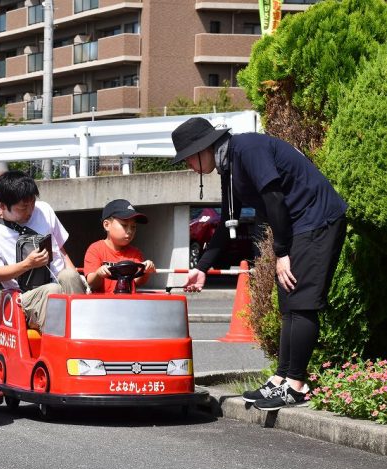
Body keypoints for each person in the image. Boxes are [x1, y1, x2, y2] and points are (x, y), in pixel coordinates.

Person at [171, 117, 347, 410]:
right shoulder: (228, 167)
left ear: (203, 148)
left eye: (188, 158)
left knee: (301, 300)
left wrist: (281, 252)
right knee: (289, 303)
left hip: (318, 220)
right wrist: (201, 268)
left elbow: (274, 197)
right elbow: (227, 224)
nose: (189, 166)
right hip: (300, 224)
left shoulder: (247, 148)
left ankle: (296, 385)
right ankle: (282, 379)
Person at [0, 171, 85, 332]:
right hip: (25, 296)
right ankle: (61, 345)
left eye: (32, 202)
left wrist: (78, 279)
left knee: (70, 276)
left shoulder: (44, 210)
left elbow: (61, 250)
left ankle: (82, 332)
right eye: (23, 207)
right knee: (52, 291)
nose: (30, 210)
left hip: (60, 283)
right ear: (2, 205)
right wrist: (27, 264)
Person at [83, 199, 156, 293]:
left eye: (133, 227)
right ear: (106, 225)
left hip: (128, 303)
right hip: (102, 304)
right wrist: (98, 274)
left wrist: (146, 271)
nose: (130, 231)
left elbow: (137, 282)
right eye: (124, 225)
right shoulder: (95, 249)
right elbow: (92, 283)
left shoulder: (135, 253)